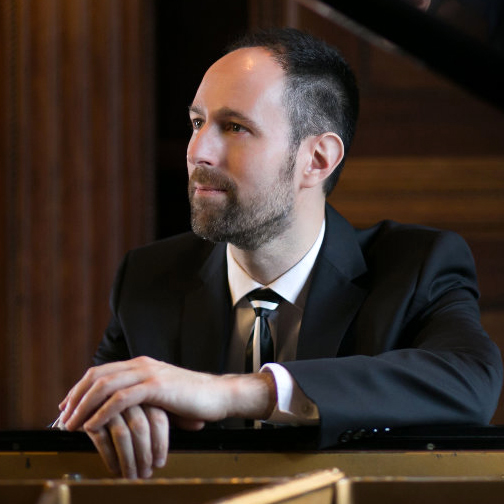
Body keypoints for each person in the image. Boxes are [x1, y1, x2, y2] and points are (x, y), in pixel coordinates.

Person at [56, 28, 503, 479]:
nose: (197, 152)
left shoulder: (417, 267)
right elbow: (73, 442)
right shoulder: (147, 278)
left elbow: (471, 381)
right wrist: (104, 422)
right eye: (197, 123)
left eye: (235, 127)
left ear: (317, 159)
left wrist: (233, 392)